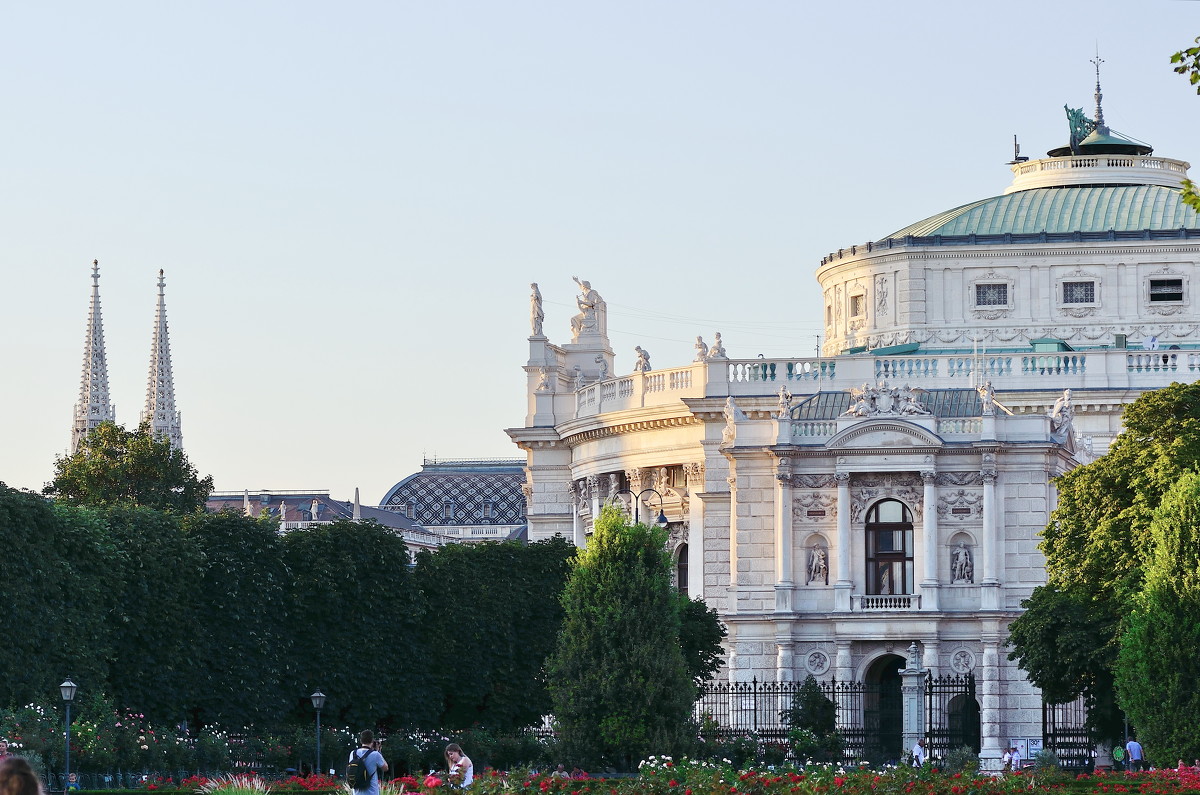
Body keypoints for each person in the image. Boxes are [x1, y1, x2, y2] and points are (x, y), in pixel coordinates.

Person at [348, 731, 388, 795]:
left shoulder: (353, 753)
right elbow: (385, 768)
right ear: (372, 741)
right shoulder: (375, 754)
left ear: (361, 740)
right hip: (371, 792)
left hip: (356, 792)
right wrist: (378, 751)